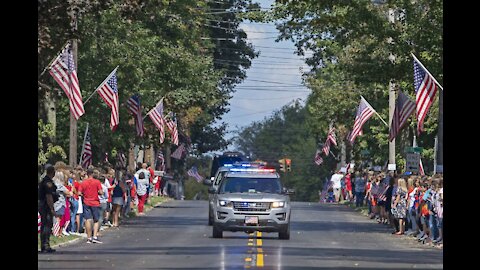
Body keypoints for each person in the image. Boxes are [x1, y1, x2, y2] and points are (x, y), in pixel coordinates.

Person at [78, 168, 104, 244]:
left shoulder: (83, 183)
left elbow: (79, 193)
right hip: (95, 202)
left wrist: (84, 195)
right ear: (92, 174)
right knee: (96, 220)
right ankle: (95, 236)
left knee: (87, 219)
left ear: (87, 174)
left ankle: (89, 237)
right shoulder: (97, 182)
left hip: (86, 202)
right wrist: (98, 193)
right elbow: (101, 192)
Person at [38, 165, 57, 253]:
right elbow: (49, 196)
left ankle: (45, 245)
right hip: (45, 205)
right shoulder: (47, 182)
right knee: (46, 225)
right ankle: (45, 245)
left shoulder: (46, 180)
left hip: (44, 205)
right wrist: (52, 208)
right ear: (53, 172)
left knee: (46, 225)